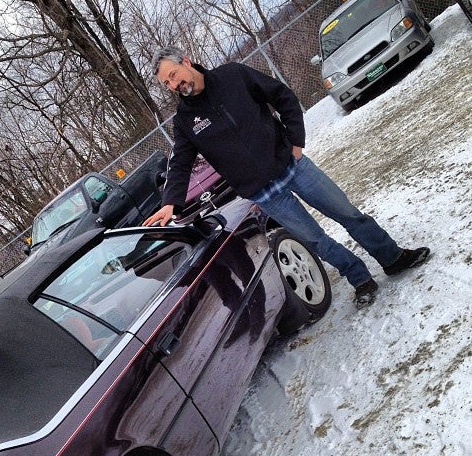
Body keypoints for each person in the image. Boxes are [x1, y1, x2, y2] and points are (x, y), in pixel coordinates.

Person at [143, 46, 429, 308]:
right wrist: (170, 202)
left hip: (293, 167)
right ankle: (360, 278)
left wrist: (296, 141)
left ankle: (392, 258)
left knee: (349, 214)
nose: (173, 85)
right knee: (316, 240)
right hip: (264, 193)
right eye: (166, 84)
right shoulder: (185, 120)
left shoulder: (233, 75)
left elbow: (282, 95)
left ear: (186, 62)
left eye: (173, 75)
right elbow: (180, 162)